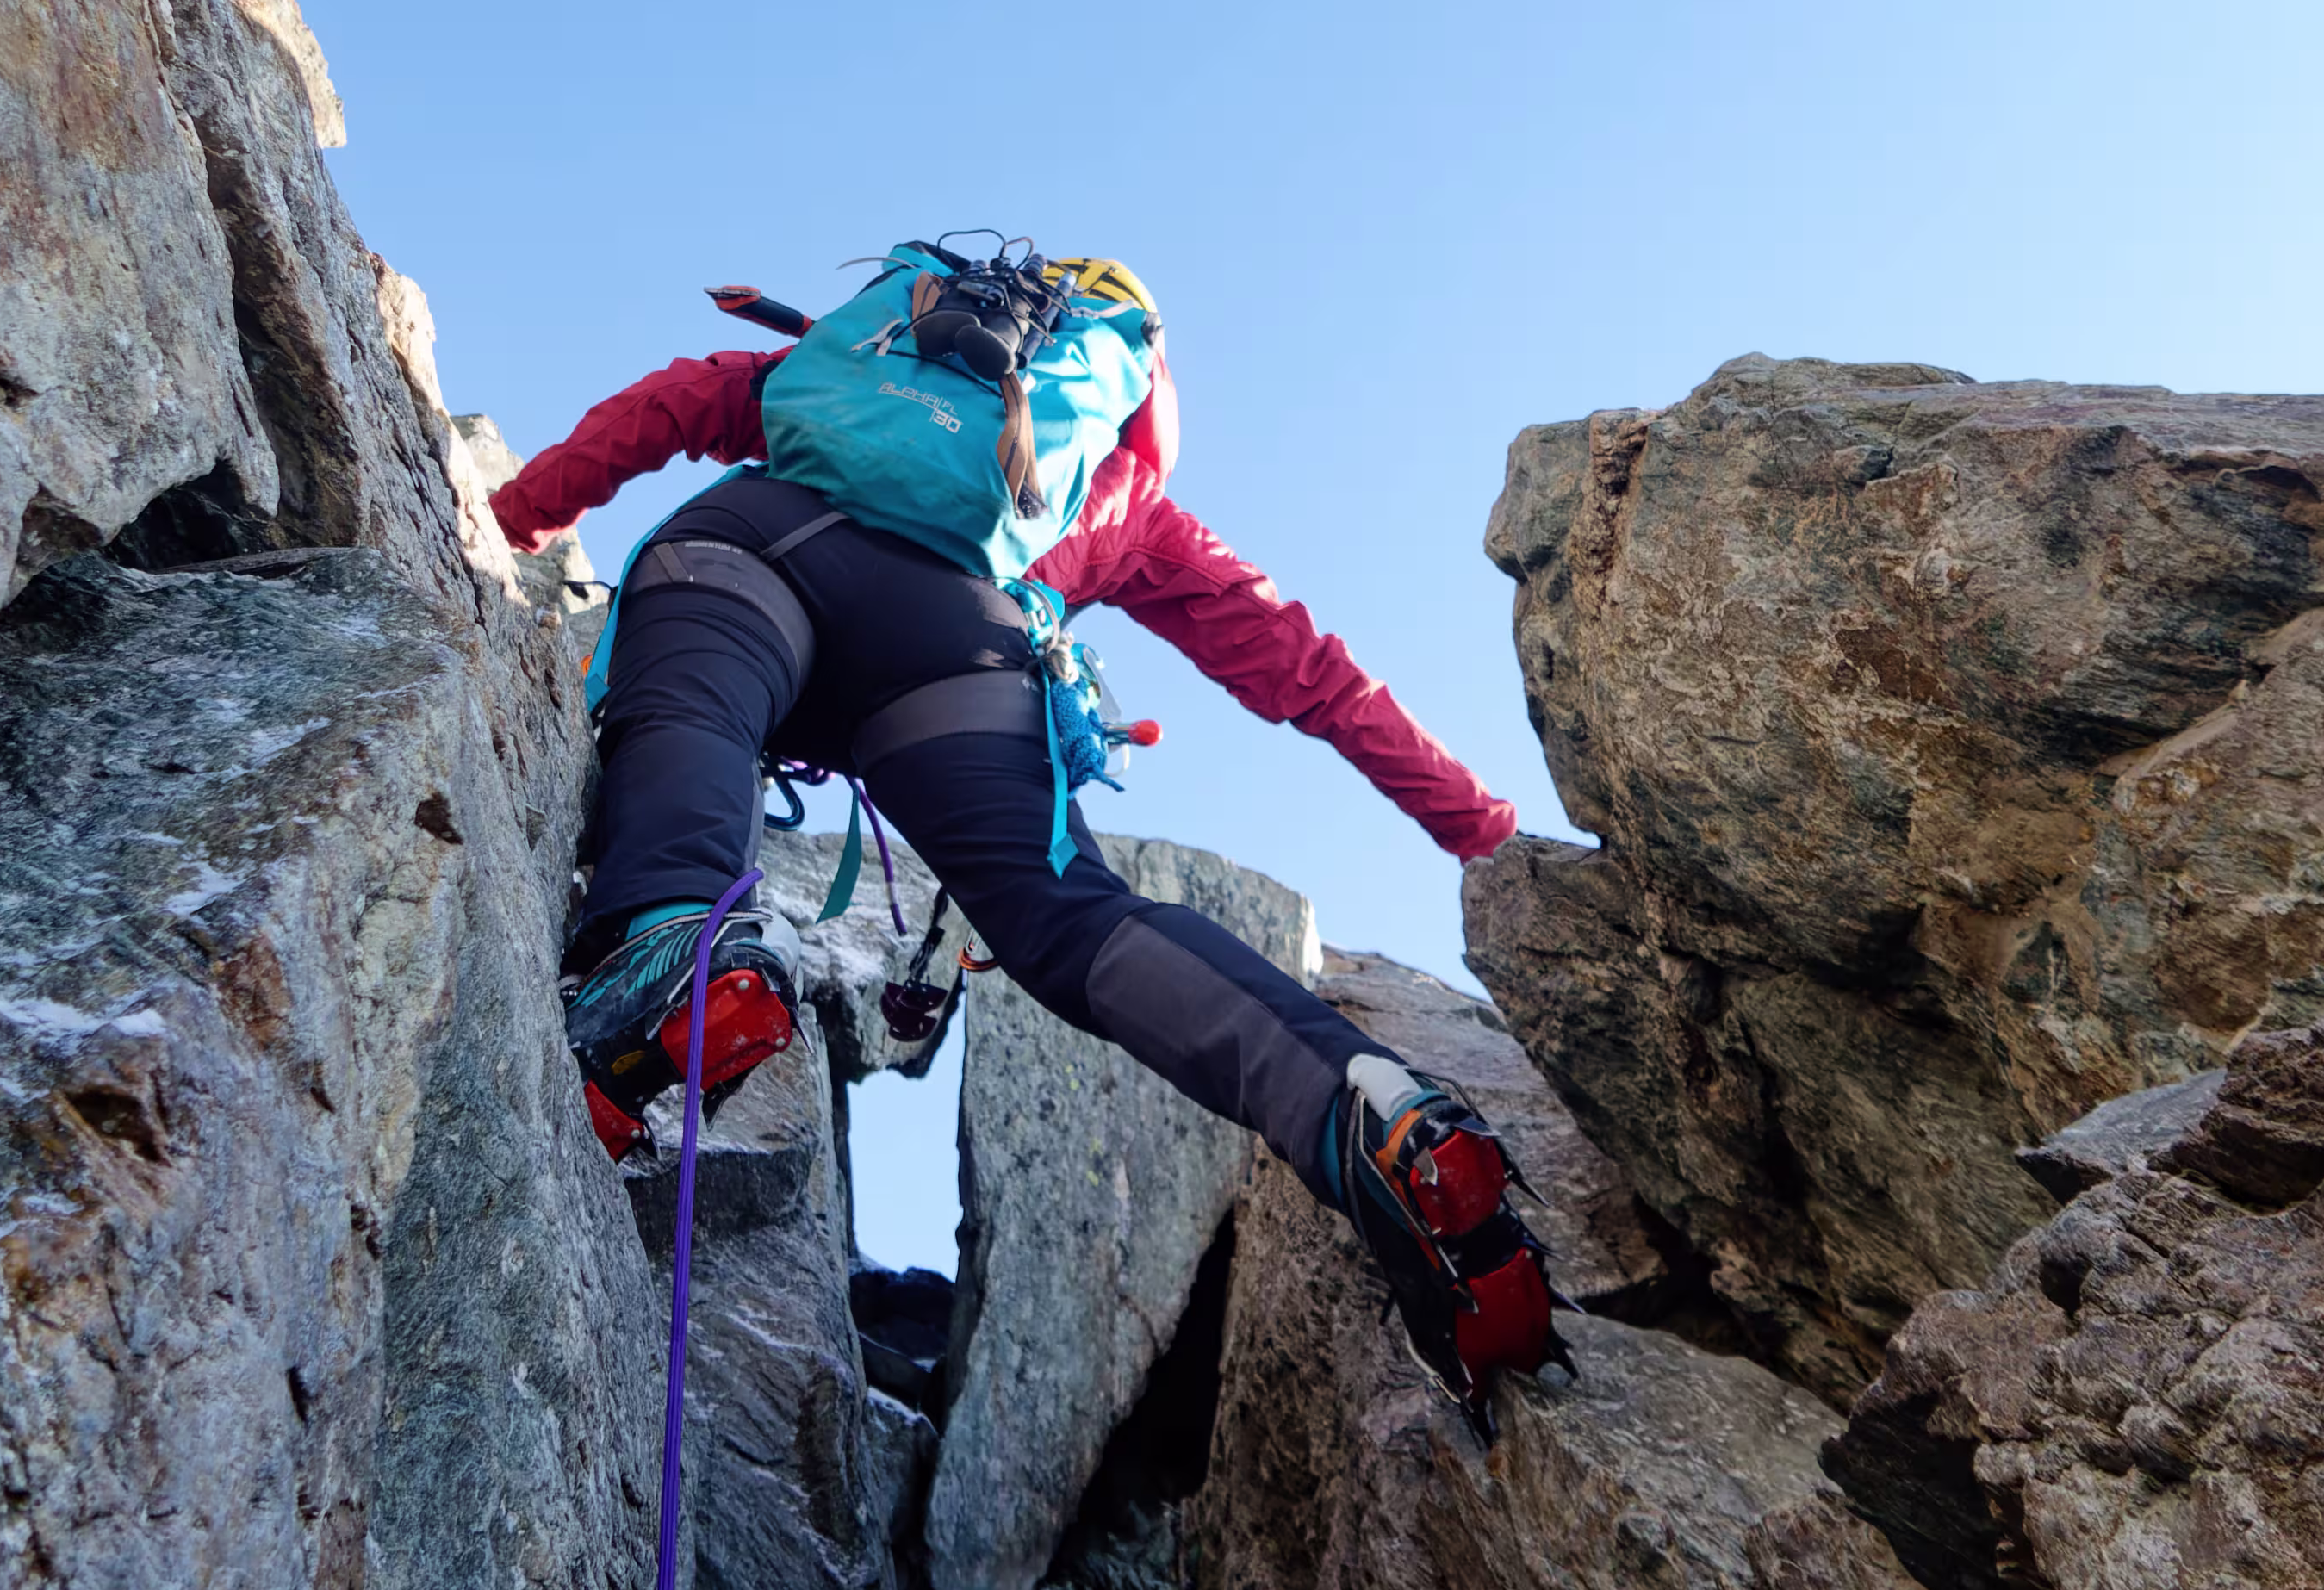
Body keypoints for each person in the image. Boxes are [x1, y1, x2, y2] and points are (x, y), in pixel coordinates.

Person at [489, 245, 1562, 1416]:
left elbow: (672, 404)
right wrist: (1485, 833)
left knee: (695, 709)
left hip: (759, 551)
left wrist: (511, 517)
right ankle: (1367, 1111)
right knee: (1073, 923)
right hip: (963, 653)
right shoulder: (1123, 498)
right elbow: (1318, 680)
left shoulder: (852, 369)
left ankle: (683, 940)